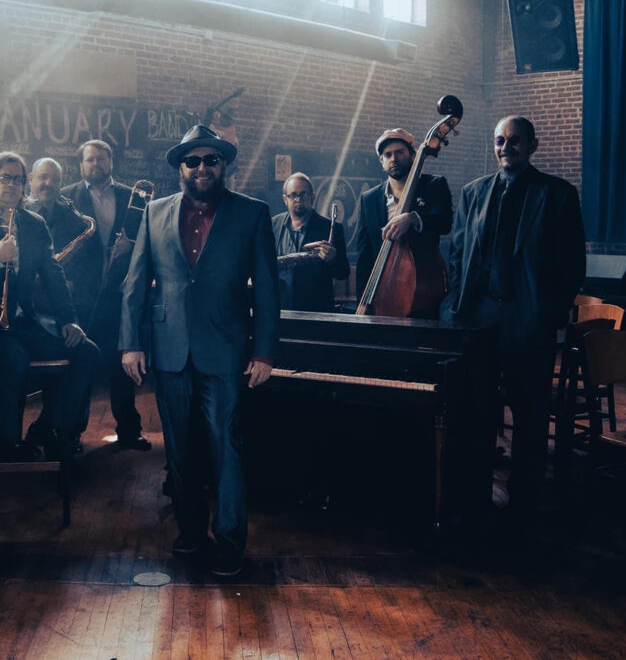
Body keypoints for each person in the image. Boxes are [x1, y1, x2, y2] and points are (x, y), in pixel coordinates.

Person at [120, 125, 280, 577]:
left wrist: (264, 352)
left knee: (226, 447)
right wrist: (130, 342)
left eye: (212, 160)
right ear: (180, 169)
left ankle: (229, 540)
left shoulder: (252, 213)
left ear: (223, 165)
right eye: (194, 160)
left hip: (227, 350)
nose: (203, 167)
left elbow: (267, 288)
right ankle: (190, 531)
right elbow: (135, 282)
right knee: (180, 449)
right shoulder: (153, 212)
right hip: (169, 349)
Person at [443, 115, 585, 515]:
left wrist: (547, 314)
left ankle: (525, 497)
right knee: (479, 409)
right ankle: (475, 492)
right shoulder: (473, 193)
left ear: (533, 145)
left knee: (530, 412)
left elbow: (573, 263)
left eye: (515, 140)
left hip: (529, 320)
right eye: (500, 141)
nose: (506, 147)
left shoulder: (557, 194)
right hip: (480, 319)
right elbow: (457, 255)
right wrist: (457, 306)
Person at [0, 152, 100, 461]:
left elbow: (53, 275)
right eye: (5, 177)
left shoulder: (34, 223)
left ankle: (52, 429)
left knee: (86, 351)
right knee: (14, 356)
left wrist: (69, 320)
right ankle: (4, 442)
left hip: (21, 323)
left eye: (18, 179)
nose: (12, 185)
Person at [60, 140, 151, 451]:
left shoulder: (133, 196)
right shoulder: (65, 197)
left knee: (120, 366)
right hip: (80, 297)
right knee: (80, 368)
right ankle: (72, 433)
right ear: (81, 165)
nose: (95, 164)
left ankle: (129, 431)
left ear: (111, 161)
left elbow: (150, 241)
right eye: (89, 160)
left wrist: (133, 244)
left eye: (101, 158)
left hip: (118, 293)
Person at [25, 157, 101, 452]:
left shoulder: (74, 219)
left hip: (61, 310)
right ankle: (48, 428)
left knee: (84, 354)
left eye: (54, 179)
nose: (47, 184)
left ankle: (65, 432)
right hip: (25, 311)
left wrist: (73, 285)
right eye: (42, 177)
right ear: (31, 179)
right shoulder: (13, 214)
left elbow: (91, 263)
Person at [356, 128, 453, 317]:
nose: (394, 158)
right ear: (381, 161)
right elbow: (364, 255)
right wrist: (362, 301)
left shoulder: (434, 185)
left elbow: (445, 222)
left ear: (413, 155)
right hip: (382, 287)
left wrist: (414, 218)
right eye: (388, 154)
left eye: (400, 152)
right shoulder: (369, 198)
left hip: (423, 285)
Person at [271, 173, 349, 312]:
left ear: (312, 197)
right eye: (293, 195)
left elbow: (343, 272)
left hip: (316, 311)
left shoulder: (331, 228)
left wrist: (332, 259)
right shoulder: (273, 224)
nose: (298, 199)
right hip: (280, 310)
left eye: (303, 194)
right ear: (285, 199)